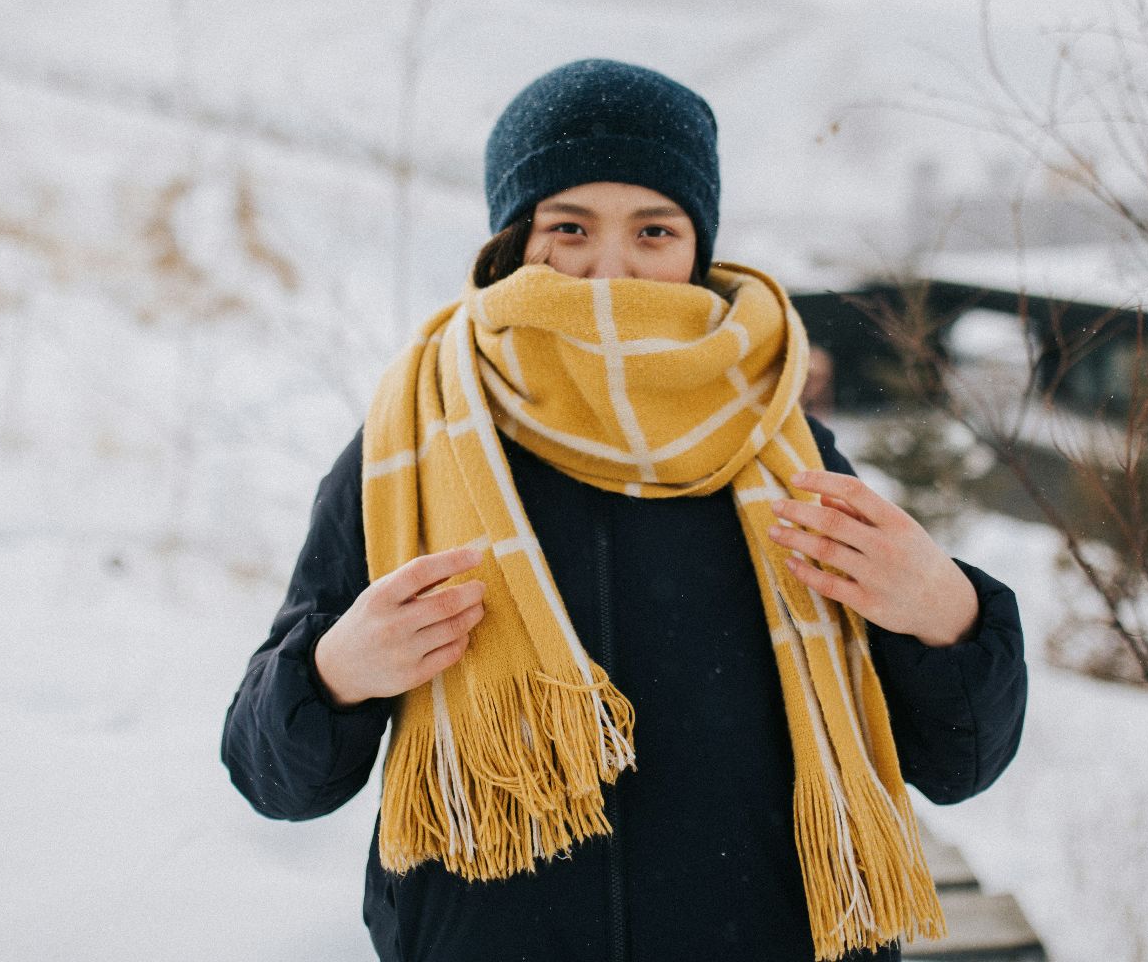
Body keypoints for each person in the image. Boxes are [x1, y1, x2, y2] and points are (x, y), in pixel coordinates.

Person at [221, 58, 1027, 962]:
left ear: (698, 246)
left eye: (653, 228)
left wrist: (949, 619)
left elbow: (959, 765)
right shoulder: (411, 448)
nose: (610, 267)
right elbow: (270, 777)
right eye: (570, 226)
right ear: (514, 241)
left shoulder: (778, 445)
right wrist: (334, 674)